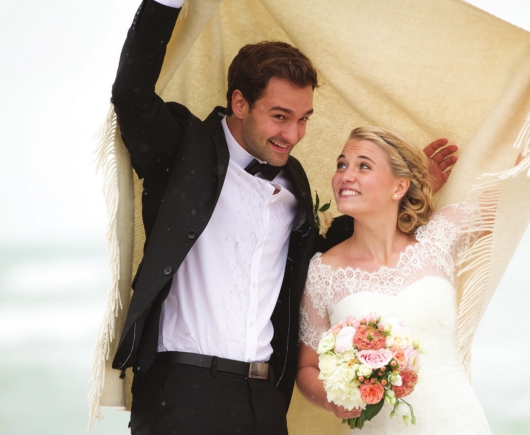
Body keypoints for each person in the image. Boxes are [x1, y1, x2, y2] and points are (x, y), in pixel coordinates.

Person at [108, 1, 458, 433]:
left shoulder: (296, 183)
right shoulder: (181, 151)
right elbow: (131, 94)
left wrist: (398, 191)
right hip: (180, 390)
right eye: (280, 117)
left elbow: (324, 262)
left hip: (265, 398)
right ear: (240, 103)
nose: (293, 135)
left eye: (303, 119)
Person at [296, 126, 495, 434]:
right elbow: (307, 367)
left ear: (399, 186)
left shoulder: (440, 239)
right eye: (342, 165)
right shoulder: (322, 272)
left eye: (363, 166)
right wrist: (331, 398)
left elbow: (515, 185)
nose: (345, 175)